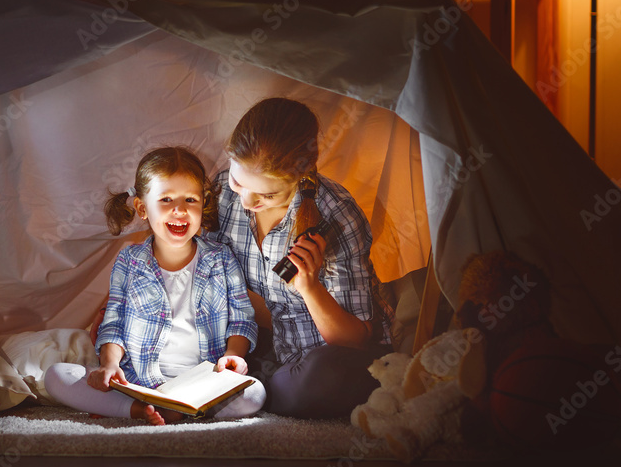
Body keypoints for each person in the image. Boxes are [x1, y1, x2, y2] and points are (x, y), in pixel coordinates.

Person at [44, 146, 267, 425]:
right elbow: (114, 321)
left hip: (204, 383)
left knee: (255, 394)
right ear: (142, 208)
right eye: (165, 199)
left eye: (190, 199)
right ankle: (139, 409)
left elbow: (242, 320)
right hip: (140, 382)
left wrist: (234, 357)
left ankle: (177, 409)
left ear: (203, 204)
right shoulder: (129, 260)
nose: (180, 210)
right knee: (56, 377)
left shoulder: (221, 259)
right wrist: (110, 365)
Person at [203, 97, 395, 419]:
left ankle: (260, 395)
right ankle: (257, 391)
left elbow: (355, 341)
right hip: (265, 349)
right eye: (239, 182)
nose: (247, 201)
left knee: (323, 377)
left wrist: (310, 287)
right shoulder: (222, 192)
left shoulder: (336, 213)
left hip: (328, 356)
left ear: (299, 175)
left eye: (267, 195)